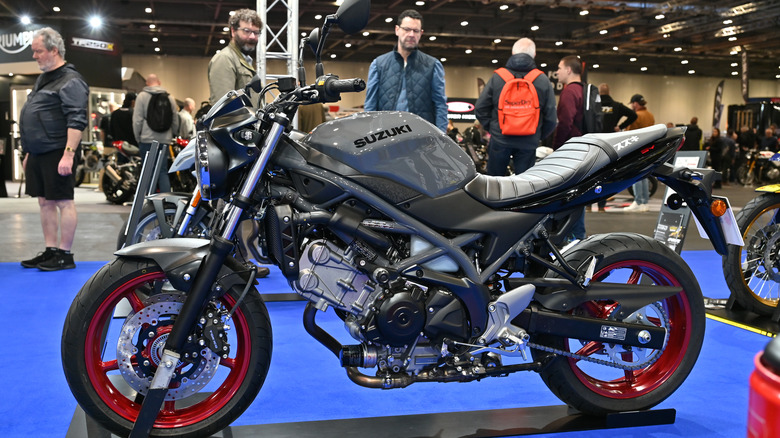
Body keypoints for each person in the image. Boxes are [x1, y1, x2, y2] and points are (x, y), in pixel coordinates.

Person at [19, 27, 88, 271]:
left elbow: (77, 121)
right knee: (44, 202)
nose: (34, 56)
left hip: (58, 150)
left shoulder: (71, 80)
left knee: (63, 202)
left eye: (38, 51)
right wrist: (29, 153)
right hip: (38, 153)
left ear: (54, 50)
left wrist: (68, 154)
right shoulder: (44, 79)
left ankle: (65, 255)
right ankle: (51, 251)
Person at [475, 38, 556, 176]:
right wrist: (537, 134)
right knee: (525, 186)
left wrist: (495, 128)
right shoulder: (542, 80)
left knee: (495, 184)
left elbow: (480, 108)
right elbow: (551, 118)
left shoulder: (498, 77)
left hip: (500, 140)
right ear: (534, 55)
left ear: (512, 52)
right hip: (528, 142)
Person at [364, 9, 448, 132]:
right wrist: (369, 133)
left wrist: (441, 137)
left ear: (421, 33)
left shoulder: (433, 65)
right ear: (397, 30)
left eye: (416, 31)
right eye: (407, 29)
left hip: (421, 137)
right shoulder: (378, 64)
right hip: (386, 136)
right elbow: (370, 106)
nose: (411, 35)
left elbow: (440, 105)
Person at [552, 55, 587, 240]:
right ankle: (579, 238)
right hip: (584, 148)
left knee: (567, 197)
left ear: (568, 70)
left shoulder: (569, 92)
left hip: (570, 150)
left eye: (559, 67)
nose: (556, 71)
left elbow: (565, 122)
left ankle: (571, 239)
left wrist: (556, 148)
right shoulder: (585, 91)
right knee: (579, 196)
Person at [132, 73, 180, 193]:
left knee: (147, 171)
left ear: (147, 83)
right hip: (165, 140)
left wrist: (138, 137)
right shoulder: (170, 98)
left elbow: (137, 120)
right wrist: (172, 134)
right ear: (159, 82)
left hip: (147, 139)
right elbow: (175, 119)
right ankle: (165, 201)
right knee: (162, 171)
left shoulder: (142, 96)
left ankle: (147, 201)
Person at [595, 83, 636, 211]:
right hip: (610, 143)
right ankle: (601, 206)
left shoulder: (594, 105)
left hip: (594, 141)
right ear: (609, 92)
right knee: (605, 174)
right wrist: (620, 126)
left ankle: (588, 206)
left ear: (599, 92)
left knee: (590, 173)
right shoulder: (616, 106)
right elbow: (633, 115)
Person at [208, 8, 262, 105]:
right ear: (233, 31)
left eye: (256, 32)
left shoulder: (244, 60)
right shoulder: (225, 59)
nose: (252, 37)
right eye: (247, 31)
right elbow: (224, 108)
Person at [624, 93, 656, 212]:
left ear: (635, 104)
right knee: (645, 175)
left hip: (637, 148)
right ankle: (644, 202)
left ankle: (638, 201)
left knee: (636, 175)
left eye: (632, 104)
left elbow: (629, 133)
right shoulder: (650, 115)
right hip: (649, 148)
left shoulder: (636, 116)